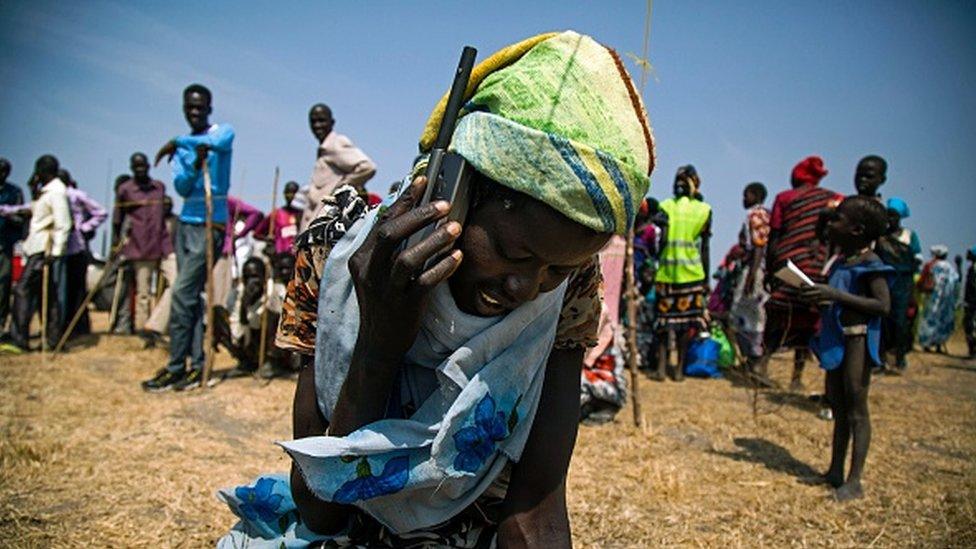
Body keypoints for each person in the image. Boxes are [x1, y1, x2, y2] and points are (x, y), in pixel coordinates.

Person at [218, 31, 653, 547]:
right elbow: (321, 511)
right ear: (456, 192)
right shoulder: (338, 253)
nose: (526, 287)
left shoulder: (570, 288)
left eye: (553, 270)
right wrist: (380, 340)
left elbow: (534, 513)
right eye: (516, 254)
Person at [143, 83, 234, 392]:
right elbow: (181, 187)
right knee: (189, 297)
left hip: (211, 222)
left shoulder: (222, 133)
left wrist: (177, 141)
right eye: (190, 108)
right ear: (184, 108)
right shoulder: (184, 151)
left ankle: (176, 366)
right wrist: (194, 161)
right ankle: (194, 364)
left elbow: (219, 142)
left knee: (181, 294)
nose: (195, 112)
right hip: (187, 223)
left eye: (200, 107)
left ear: (209, 107)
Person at [803, 195, 891, 501]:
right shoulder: (841, 262)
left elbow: (882, 305)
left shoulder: (871, 265)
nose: (832, 223)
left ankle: (855, 481)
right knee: (839, 407)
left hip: (858, 340)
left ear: (856, 230)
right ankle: (835, 470)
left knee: (856, 409)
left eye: (838, 219)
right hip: (838, 340)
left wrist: (835, 296)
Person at [761, 156, 843, 390]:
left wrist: (771, 270)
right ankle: (796, 378)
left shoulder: (785, 198)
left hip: (788, 268)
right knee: (807, 322)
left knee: (778, 317)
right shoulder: (832, 199)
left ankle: (761, 365)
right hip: (817, 268)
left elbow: (774, 236)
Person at [652, 165, 711, 382]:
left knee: (663, 323)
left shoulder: (666, 206)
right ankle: (677, 370)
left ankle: (661, 367)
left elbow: (662, 240)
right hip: (692, 274)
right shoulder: (704, 210)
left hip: (667, 273)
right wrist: (706, 278)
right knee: (685, 325)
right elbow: (705, 248)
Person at [10, 155, 71, 351]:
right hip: (36, 247)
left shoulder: (56, 192)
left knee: (23, 290)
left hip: (44, 250)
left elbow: (64, 223)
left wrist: (56, 251)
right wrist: (33, 190)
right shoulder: (45, 192)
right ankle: (52, 340)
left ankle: (20, 338)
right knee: (47, 296)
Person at [113, 153, 174, 340]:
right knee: (143, 293)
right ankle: (144, 331)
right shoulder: (125, 190)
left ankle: (160, 325)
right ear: (132, 168)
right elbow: (117, 219)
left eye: (143, 166)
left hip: (164, 245)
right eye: (136, 166)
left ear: (148, 166)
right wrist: (117, 244)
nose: (140, 169)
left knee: (178, 282)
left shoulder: (159, 188)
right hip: (140, 247)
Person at [300, 103, 376, 231]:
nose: (317, 125)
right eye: (313, 121)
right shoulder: (324, 149)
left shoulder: (335, 144)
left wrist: (340, 188)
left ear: (332, 122)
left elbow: (367, 167)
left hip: (323, 227)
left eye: (321, 120)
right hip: (313, 227)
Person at [875, 197, 921, 371]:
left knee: (900, 322)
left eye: (894, 216)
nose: (891, 219)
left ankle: (898, 359)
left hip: (903, 284)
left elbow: (916, 260)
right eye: (889, 215)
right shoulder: (881, 237)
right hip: (885, 281)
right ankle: (881, 359)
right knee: (883, 321)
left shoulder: (909, 236)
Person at [61, 169, 108, 339]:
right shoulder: (53, 195)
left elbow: (101, 212)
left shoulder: (76, 195)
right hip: (58, 250)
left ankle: (78, 327)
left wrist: (83, 228)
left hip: (77, 250)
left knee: (77, 290)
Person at [730, 182, 770, 373]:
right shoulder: (761, 214)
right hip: (752, 269)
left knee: (749, 315)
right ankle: (750, 359)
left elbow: (759, 246)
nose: (743, 199)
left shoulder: (756, 215)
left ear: (756, 195)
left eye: (746, 195)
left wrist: (751, 276)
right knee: (745, 316)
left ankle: (755, 360)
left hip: (755, 271)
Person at [142, 195, 178, 346]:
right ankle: (142, 328)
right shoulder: (150, 220)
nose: (167, 206)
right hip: (149, 255)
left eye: (169, 204)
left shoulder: (177, 221)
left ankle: (155, 325)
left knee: (176, 286)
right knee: (143, 292)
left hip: (170, 255)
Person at [916, 245, 960, 353]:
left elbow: (922, 279)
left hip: (932, 298)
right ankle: (939, 345)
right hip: (946, 300)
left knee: (929, 319)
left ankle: (926, 343)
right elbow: (956, 283)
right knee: (942, 320)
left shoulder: (931, 265)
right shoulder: (950, 268)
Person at [0, 158, 26, 336]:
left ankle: (1, 324)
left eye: (4, 171)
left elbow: (21, 218)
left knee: (3, 286)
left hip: (4, 246)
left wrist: (8, 215)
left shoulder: (14, 192)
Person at [254, 180, 302, 255]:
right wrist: (268, 239)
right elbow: (257, 234)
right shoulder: (276, 213)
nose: (291, 195)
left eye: (294, 193)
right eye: (288, 192)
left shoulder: (303, 214)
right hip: (279, 255)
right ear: (284, 194)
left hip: (298, 254)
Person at [963, 247, 976, 358]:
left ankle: (972, 350)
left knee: (970, 326)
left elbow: (971, 287)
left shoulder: (973, 269)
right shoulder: (972, 268)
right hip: (971, 302)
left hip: (972, 303)